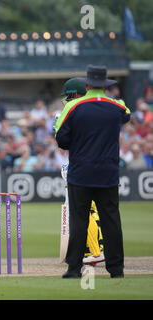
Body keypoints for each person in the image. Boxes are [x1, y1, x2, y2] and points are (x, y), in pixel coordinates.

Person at [55, 65, 131, 278]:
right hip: (108, 173)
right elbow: (127, 114)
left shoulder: (74, 106)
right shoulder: (116, 106)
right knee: (111, 222)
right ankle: (116, 271)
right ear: (105, 85)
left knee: (80, 221)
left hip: (81, 173)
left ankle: (73, 269)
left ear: (87, 85)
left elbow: (61, 139)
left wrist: (78, 139)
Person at [59, 77, 105, 266]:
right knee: (96, 209)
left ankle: (95, 251)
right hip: (102, 164)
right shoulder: (101, 108)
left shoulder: (74, 110)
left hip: (85, 166)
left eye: (69, 96)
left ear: (76, 94)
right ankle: (98, 249)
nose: (67, 100)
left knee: (83, 209)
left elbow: (62, 139)